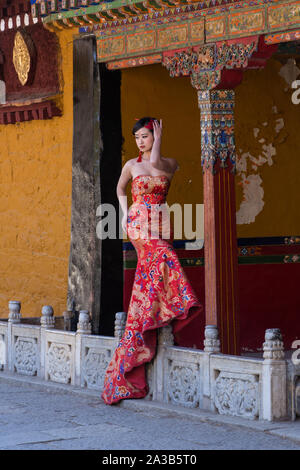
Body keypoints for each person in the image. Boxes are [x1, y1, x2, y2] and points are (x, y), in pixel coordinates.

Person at [101, 117, 203, 405]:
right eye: (138, 138)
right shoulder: (131, 166)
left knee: (150, 273)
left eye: (145, 136)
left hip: (160, 222)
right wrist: (123, 214)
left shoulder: (169, 163)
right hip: (138, 222)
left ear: (156, 135)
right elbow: (120, 189)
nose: (141, 142)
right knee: (164, 256)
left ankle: (148, 319)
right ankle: (175, 304)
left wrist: (159, 141)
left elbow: (157, 164)